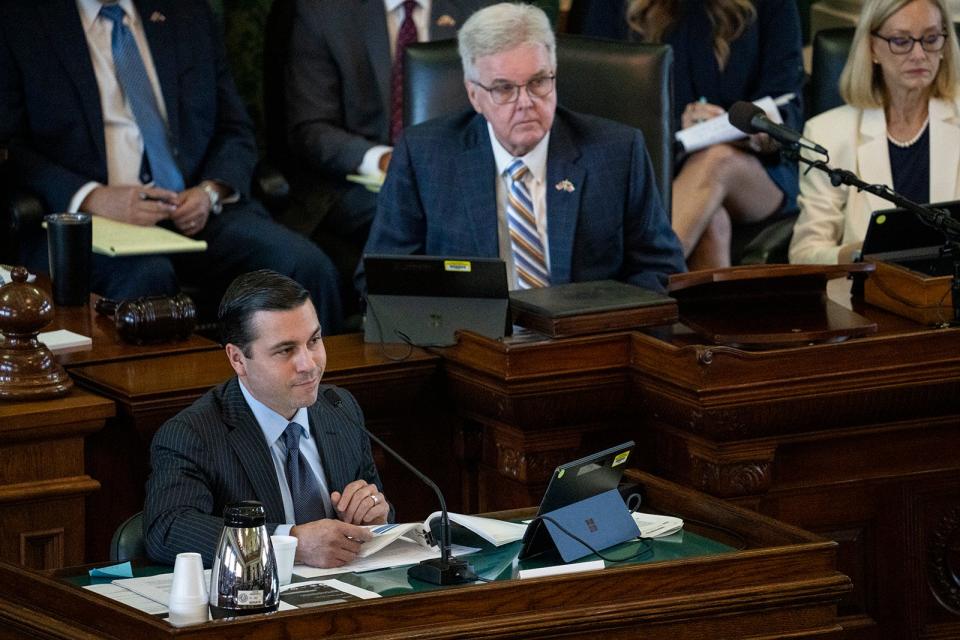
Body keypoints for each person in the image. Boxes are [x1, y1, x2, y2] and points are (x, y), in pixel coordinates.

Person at [0, 0, 343, 333]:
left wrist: (211, 190)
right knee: (148, 278)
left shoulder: (187, 12)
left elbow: (234, 127)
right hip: (90, 223)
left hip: (195, 209)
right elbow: (10, 148)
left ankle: (320, 391)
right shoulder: (20, 21)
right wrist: (91, 198)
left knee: (305, 266)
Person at [362, 2, 685, 294]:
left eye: (538, 82)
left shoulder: (617, 151)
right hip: (469, 345)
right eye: (504, 89)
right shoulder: (424, 156)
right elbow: (380, 278)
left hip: (587, 345)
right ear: (474, 95)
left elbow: (660, 270)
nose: (526, 103)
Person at [144, 270, 390, 568]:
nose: (308, 364)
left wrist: (376, 515)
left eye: (314, 341)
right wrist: (292, 545)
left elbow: (376, 510)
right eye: (286, 350)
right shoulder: (193, 434)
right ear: (237, 359)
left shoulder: (339, 408)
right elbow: (168, 531)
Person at [283, 0, 488, 281]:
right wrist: (381, 160)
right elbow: (311, 128)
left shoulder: (478, 9)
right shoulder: (325, 12)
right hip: (356, 184)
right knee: (423, 220)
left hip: (455, 173)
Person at [622, 0, 805, 270]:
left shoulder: (774, 6)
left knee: (716, 160)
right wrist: (677, 126)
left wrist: (751, 129)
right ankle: (700, 312)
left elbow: (787, 104)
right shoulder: (616, 6)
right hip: (657, 162)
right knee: (712, 222)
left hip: (757, 169)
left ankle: (639, 287)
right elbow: (608, 103)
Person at [789, 0, 960, 264]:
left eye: (931, 38)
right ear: (872, 48)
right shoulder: (826, 134)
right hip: (870, 295)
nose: (919, 54)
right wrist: (859, 254)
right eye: (902, 41)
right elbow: (804, 254)